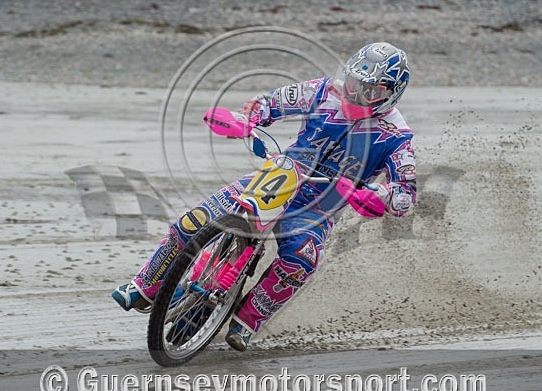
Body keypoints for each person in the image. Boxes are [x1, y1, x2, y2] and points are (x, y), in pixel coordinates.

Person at [112, 42, 417, 351]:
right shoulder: (323, 91)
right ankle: (146, 286)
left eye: (370, 91)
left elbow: (405, 193)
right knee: (195, 220)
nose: (356, 94)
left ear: (392, 92)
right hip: (280, 175)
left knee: (301, 260)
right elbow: (269, 102)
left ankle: (247, 322)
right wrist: (248, 120)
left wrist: (380, 194)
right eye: (354, 83)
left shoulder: (398, 136)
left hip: (321, 206)